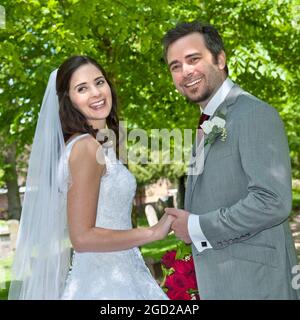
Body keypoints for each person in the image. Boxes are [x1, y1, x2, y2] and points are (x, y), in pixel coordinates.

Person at [9, 55, 174, 300]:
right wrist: (152, 233)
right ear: (69, 101)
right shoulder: (86, 147)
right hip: (106, 286)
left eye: (99, 82)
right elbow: (82, 237)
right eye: (82, 88)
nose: (96, 92)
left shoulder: (99, 143)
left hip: (124, 274)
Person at [163, 21, 300, 299]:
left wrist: (196, 226)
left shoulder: (253, 113)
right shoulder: (208, 121)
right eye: (175, 66)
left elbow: (272, 201)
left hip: (257, 286)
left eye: (193, 59)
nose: (185, 71)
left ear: (221, 59)